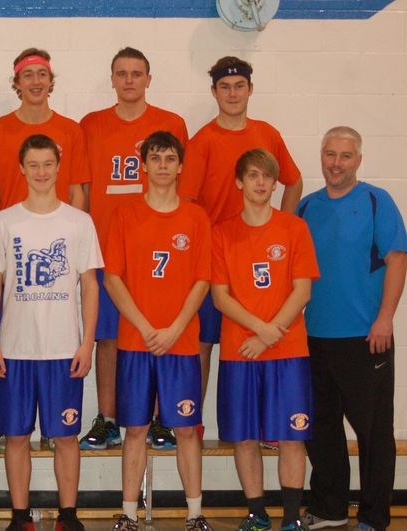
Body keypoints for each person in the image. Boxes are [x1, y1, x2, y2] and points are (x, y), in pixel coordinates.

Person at [0, 134, 101, 531]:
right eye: (33, 165)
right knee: (16, 437)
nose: (41, 172)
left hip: (64, 348)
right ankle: (20, 517)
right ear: (21, 168)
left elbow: (90, 286)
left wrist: (87, 342)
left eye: (48, 164)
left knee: (66, 437)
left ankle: (68, 516)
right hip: (15, 348)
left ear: (58, 167)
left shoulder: (78, 222)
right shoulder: (4, 221)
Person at [179, 56, 303, 430]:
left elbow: (293, 181)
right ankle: (191, 422)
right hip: (218, 259)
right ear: (213, 91)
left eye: (239, 86)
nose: (232, 93)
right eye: (224, 87)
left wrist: (285, 225)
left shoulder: (267, 134)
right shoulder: (202, 141)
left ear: (250, 89)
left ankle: (270, 426)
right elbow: (186, 203)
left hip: (261, 262)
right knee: (201, 345)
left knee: (264, 337)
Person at [79, 47, 188, 452]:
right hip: (109, 252)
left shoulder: (170, 123)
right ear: (112, 79)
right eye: (121, 73)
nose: (129, 80)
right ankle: (107, 419)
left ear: (148, 79)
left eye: (136, 73)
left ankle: (162, 420)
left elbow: (182, 185)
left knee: (159, 337)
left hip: (160, 254)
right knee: (107, 338)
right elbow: (85, 189)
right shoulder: (91, 125)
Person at [298, 126, 407, 531]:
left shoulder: (378, 201)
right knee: (321, 429)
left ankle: (375, 517)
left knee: (373, 435)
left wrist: (385, 318)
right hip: (314, 339)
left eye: (345, 156)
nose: (336, 163)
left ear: (359, 160)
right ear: (321, 157)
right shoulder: (307, 207)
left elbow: (397, 260)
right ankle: (329, 509)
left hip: (366, 339)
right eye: (330, 154)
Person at [102, 131, 211, 531]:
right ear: (143, 165)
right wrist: (147, 327)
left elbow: (202, 280)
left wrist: (175, 328)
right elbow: (113, 277)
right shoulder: (125, 214)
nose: (163, 165)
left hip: (179, 343)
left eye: (170, 158)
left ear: (180, 166)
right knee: (135, 430)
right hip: (136, 341)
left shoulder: (196, 217)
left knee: (185, 429)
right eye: (156, 158)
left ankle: (195, 513)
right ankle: (128, 515)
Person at [211, 149, 318, 531]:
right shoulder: (221, 232)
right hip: (241, 352)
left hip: (288, 351)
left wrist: (271, 333)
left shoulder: (294, 228)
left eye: (267, 177)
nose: (260, 183)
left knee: (292, 436)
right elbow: (220, 296)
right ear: (239, 182)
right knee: (244, 438)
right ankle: (257, 514)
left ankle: (291, 517)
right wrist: (259, 330)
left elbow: (302, 291)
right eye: (252, 175)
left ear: (276, 184)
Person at [0, 47, 89, 230]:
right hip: (13, 233)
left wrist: (74, 235)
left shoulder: (71, 130)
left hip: (60, 233)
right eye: (28, 75)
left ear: (50, 81)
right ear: (18, 83)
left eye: (42, 74)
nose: (36, 81)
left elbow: (76, 192)